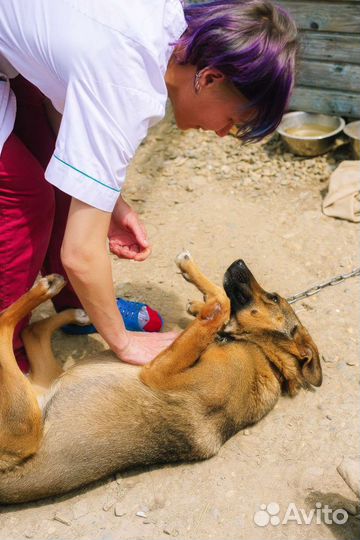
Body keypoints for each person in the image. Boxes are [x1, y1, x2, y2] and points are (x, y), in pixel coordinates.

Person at [0, 0, 298, 373]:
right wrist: (124, 344)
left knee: (55, 166)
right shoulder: (129, 83)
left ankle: (80, 306)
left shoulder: (167, 22)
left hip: (17, 51)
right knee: (24, 197)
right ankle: (6, 362)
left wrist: (110, 198)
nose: (223, 133)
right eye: (234, 120)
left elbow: (63, 100)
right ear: (209, 78)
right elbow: (80, 252)